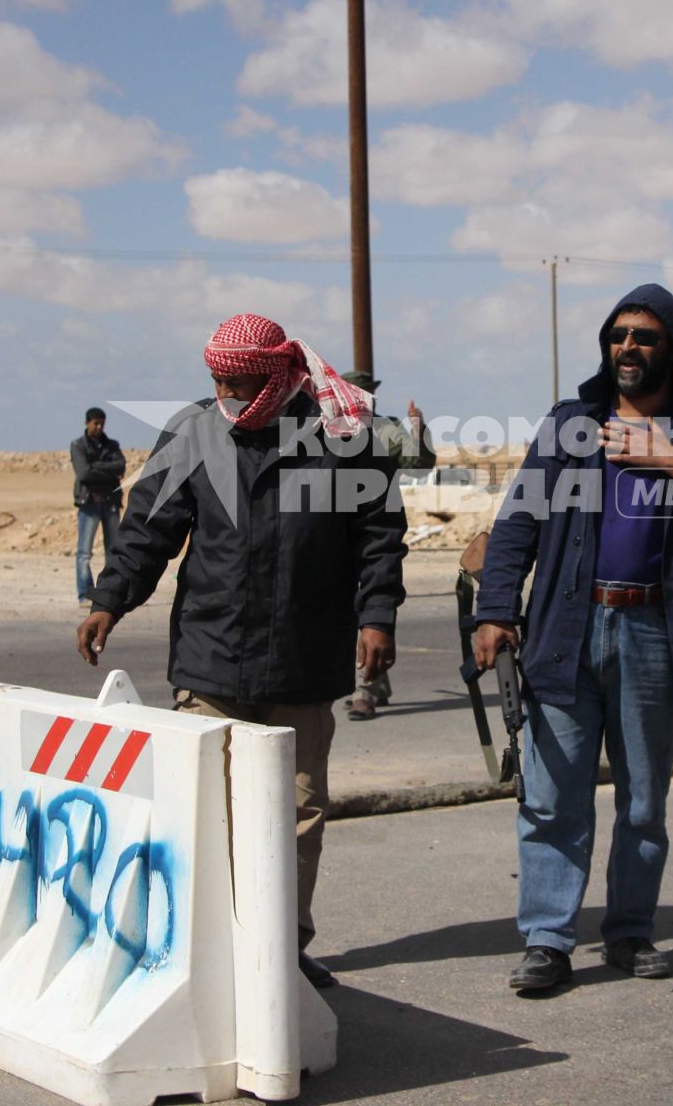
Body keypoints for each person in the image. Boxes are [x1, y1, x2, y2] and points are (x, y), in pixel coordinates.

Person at [76, 313, 407, 989]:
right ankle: (203, 948)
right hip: (212, 654)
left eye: (240, 383)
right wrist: (110, 598)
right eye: (219, 382)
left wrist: (376, 617)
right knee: (203, 812)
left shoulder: (344, 436)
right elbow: (148, 529)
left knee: (297, 812)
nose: (227, 393)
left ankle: (280, 950)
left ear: (275, 375)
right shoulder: (194, 432)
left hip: (304, 656)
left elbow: (378, 535)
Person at [473, 285, 673, 994]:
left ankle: (630, 931)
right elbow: (518, 520)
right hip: (568, 629)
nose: (628, 348)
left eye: (645, 337)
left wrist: (668, 460)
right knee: (551, 795)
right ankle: (547, 939)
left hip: (655, 632)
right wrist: (495, 607)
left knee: (641, 800)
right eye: (619, 335)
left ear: (671, 347)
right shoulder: (573, 422)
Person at [339, 369, 435, 721]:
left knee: (370, 607)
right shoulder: (326, 430)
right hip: (336, 531)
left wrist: (418, 431)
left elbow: (420, 463)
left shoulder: (385, 430)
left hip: (375, 530)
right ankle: (378, 680)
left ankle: (364, 689)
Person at [70, 407, 125, 605]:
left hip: (110, 503)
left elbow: (120, 467)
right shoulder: (78, 446)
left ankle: (110, 592)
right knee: (84, 553)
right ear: (87, 423)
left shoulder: (111, 445)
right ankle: (85, 593)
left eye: (102, 423)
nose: (99, 427)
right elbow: (83, 473)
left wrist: (96, 467)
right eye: (96, 423)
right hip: (89, 504)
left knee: (113, 551)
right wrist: (105, 470)